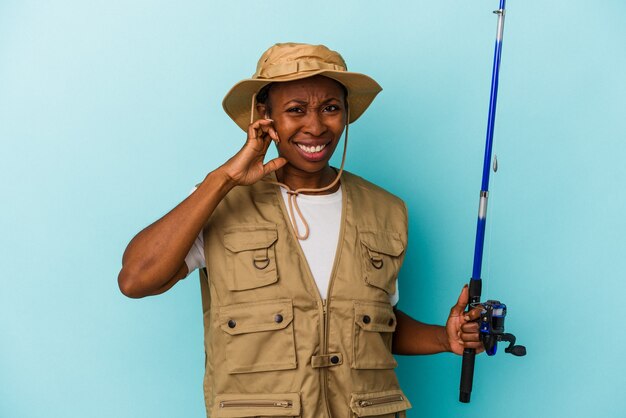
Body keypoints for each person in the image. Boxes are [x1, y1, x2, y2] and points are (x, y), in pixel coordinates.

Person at [118, 42, 483, 418]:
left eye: (330, 108)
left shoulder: (386, 211)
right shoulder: (220, 203)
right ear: (264, 115)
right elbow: (136, 279)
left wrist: (444, 336)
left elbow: (374, 326)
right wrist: (224, 179)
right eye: (296, 110)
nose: (316, 126)